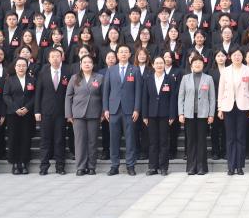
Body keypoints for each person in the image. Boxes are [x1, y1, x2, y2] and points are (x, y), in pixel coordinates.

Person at [101, 43, 142, 176]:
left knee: (130, 139)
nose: (123, 54)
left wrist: (137, 109)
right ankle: (114, 165)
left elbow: (138, 91)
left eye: (126, 52)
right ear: (117, 55)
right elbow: (106, 91)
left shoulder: (135, 70)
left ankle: (130, 165)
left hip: (130, 110)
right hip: (113, 110)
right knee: (114, 139)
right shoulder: (111, 70)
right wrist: (105, 109)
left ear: (130, 54)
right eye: (121, 52)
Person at [216, 49, 249, 176]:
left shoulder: (248, 70)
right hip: (228, 106)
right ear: (230, 57)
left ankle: (240, 166)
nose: (237, 57)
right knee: (230, 137)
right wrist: (220, 108)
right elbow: (221, 90)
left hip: (243, 106)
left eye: (239, 55)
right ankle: (231, 166)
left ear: (243, 57)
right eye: (234, 55)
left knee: (241, 137)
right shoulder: (225, 71)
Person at [66, 54, 105, 176]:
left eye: (89, 62)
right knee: (79, 141)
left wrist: (103, 112)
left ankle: (91, 166)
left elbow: (104, 96)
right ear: (81, 64)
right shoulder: (74, 78)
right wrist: (69, 114)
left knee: (92, 141)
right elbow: (68, 96)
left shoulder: (99, 78)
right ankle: (81, 166)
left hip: (94, 112)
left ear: (93, 65)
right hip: (78, 114)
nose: (87, 64)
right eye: (85, 62)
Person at [177, 52, 214, 175]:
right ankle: (191, 167)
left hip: (203, 114)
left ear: (203, 65)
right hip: (189, 115)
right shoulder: (185, 78)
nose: (197, 64)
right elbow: (181, 97)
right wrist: (181, 113)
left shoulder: (208, 79)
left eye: (200, 62)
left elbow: (212, 98)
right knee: (191, 141)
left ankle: (202, 167)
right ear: (191, 65)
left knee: (202, 141)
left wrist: (211, 114)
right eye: (195, 63)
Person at [35, 48, 69, 175]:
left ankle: (60, 166)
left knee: (60, 139)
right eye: (52, 56)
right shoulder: (43, 73)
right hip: (46, 112)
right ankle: (44, 166)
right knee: (45, 139)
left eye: (57, 56)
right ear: (49, 59)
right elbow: (38, 93)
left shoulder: (67, 72)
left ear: (61, 58)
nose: (55, 59)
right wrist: (37, 111)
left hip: (61, 112)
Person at [141, 55, 176, 175]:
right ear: (153, 65)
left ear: (164, 65)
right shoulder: (148, 79)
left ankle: (164, 167)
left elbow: (173, 98)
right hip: (151, 115)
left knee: (164, 142)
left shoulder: (170, 79)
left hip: (165, 115)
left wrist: (172, 115)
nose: (159, 65)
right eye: (157, 63)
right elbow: (144, 98)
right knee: (153, 142)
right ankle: (153, 167)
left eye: (161, 63)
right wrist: (144, 115)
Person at [3, 57, 36, 175]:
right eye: (19, 65)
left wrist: (27, 108)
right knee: (13, 138)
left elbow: (35, 96)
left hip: (27, 114)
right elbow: (6, 95)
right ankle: (15, 163)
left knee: (26, 137)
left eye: (23, 65)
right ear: (15, 67)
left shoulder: (32, 80)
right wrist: (15, 108)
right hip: (13, 114)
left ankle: (24, 162)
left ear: (27, 67)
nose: (21, 68)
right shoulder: (9, 80)